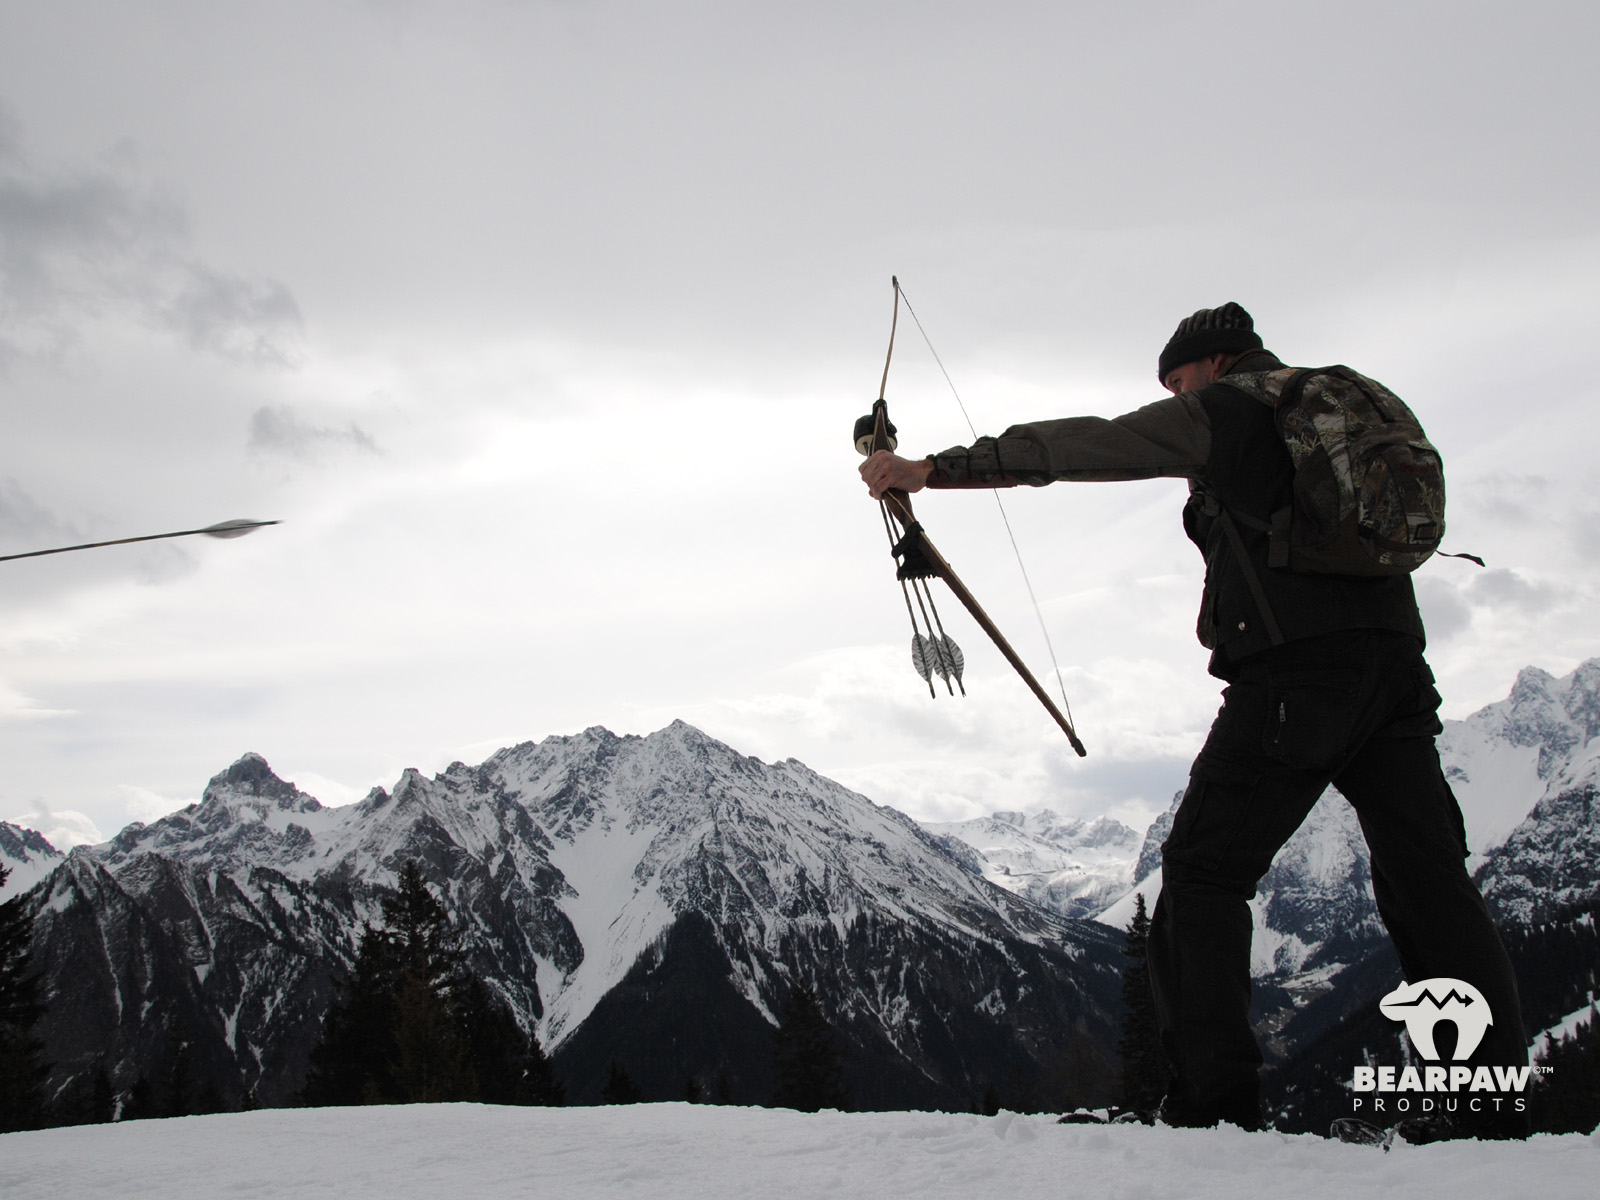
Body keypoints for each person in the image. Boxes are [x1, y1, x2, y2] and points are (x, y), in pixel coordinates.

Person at [859, 303, 1526, 1134]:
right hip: (1394, 671)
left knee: (1205, 872)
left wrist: (928, 470)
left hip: (1294, 675)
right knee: (1430, 884)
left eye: (1175, 381)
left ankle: (1212, 1114)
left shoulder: (1229, 410)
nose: (1172, 396)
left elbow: (1086, 444)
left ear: (1210, 364)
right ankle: (1487, 1113)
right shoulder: (1335, 405)